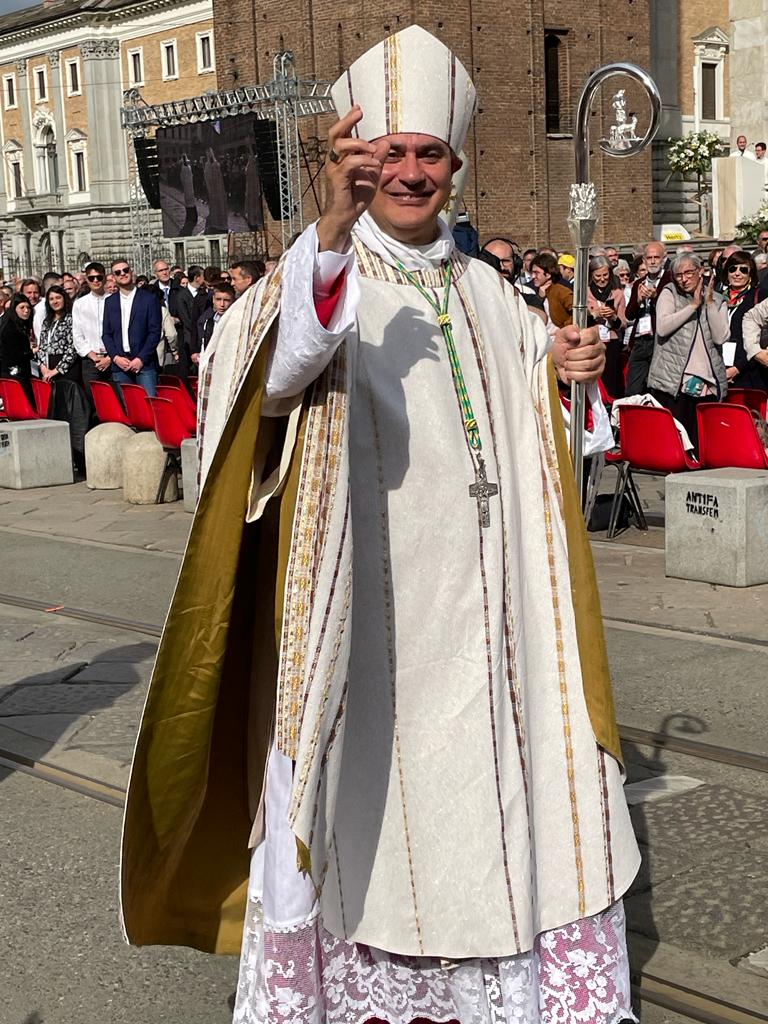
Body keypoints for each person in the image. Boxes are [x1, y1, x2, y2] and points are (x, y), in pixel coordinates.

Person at [121, 25, 639, 1024]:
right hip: (376, 641)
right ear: (356, 160)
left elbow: (534, 435)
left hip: (498, 640)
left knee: (519, 822)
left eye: (429, 154)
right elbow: (266, 377)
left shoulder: (488, 286)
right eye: (390, 152)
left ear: (455, 162)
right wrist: (327, 230)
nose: (411, 173)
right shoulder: (324, 275)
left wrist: (559, 372)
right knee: (386, 834)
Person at [647, 253, 729, 450]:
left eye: (689, 273)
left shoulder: (717, 299)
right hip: (674, 382)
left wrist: (708, 303)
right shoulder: (669, 293)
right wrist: (692, 306)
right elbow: (663, 327)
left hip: (707, 383)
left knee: (703, 443)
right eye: (678, 275)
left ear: (701, 271)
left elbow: (720, 337)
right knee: (679, 444)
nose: (683, 279)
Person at [38, 284, 89, 471]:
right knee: (58, 412)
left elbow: (72, 348)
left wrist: (56, 370)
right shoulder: (47, 322)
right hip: (49, 369)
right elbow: (43, 345)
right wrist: (44, 366)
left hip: (67, 370)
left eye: (58, 298)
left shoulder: (70, 319)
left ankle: (80, 459)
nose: (55, 302)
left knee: (73, 413)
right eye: (51, 299)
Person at [102, 258, 161, 396]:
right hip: (120, 364)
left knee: (149, 407)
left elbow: (155, 332)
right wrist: (115, 357)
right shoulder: (110, 302)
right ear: (114, 277)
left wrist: (140, 359)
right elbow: (106, 334)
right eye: (118, 272)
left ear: (131, 271)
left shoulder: (148, 299)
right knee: (128, 409)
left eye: (125, 270)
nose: (122, 273)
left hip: (144, 364)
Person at [625, 241, 670, 395]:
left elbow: (673, 310)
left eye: (656, 257)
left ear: (664, 258)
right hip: (640, 339)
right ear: (643, 260)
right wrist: (637, 300)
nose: (652, 261)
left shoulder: (670, 280)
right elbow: (629, 315)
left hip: (660, 340)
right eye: (649, 258)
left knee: (656, 387)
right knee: (633, 388)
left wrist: (656, 297)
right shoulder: (639, 283)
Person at [720, 249, 768, 389]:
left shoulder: (760, 296)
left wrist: (737, 368)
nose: (737, 273)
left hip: (750, 371)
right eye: (733, 269)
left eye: (743, 270)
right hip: (720, 368)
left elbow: (759, 338)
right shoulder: (718, 297)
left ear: (751, 274)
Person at [72, 260, 112, 402]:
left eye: (99, 277)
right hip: (90, 360)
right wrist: (93, 356)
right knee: (95, 400)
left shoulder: (113, 300)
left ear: (105, 278)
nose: (96, 281)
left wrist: (109, 357)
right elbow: (77, 334)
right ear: (87, 280)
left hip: (113, 358)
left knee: (114, 400)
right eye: (91, 278)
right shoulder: (79, 304)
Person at [588, 255, 626, 398]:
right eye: (598, 276)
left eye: (605, 275)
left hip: (611, 343)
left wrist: (613, 316)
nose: (602, 279)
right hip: (593, 341)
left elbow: (623, 324)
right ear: (592, 275)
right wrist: (594, 314)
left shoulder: (618, 294)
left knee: (611, 382)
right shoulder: (585, 293)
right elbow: (579, 321)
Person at [0, 294, 36, 406]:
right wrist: (31, 352)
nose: (26, 311)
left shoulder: (19, 325)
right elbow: (13, 355)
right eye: (22, 308)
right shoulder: (10, 328)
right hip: (14, 376)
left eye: (28, 307)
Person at [192, 281, 235, 360]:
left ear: (232, 301)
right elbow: (203, 342)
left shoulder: (236, 322)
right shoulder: (208, 321)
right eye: (218, 299)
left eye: (226, 300)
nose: (222, 304)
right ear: (213, 300)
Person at [530, 251, 573, 329]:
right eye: (532, 273)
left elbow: (577, 312)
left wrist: (564, 329)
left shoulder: (561, 291)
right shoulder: (531, 290)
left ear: (548, 274)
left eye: (536, 273)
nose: (533, 276)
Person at [204, 148, 228, 233]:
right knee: (215, 206)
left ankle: (220, 223)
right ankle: (215, 223)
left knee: (219, 205)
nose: (209, 155)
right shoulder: (208, 165)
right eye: (208, 153)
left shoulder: (215, 164)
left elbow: (218, 177)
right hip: (213, 190)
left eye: (210, 153)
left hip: (219, 189)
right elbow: (207, 178)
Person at [179, 154, 198, 236]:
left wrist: (183, 184)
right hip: (190, 186)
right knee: (192, 202)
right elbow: (191, 176)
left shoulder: (183, 168)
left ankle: (190, 217)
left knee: (188, 202)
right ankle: (194, 217)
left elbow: (182, 178)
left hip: (187, 188)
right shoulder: (189, 167)